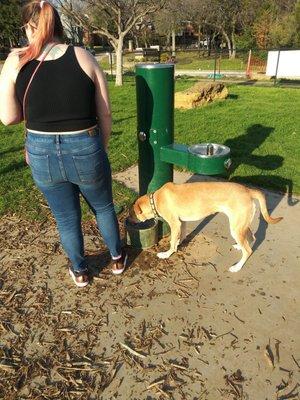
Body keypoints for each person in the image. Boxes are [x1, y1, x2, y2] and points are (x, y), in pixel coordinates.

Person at [0, 0, 127, 287]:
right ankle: (117, 258)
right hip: (85, 145)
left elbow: (8, 118)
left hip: (41, 151)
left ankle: (80, 271)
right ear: (57, 24)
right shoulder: (83, 56)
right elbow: (104, 111)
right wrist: (100, 150)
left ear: (29, 27)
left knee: (66, 217)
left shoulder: (16, 61)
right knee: (104, 207)